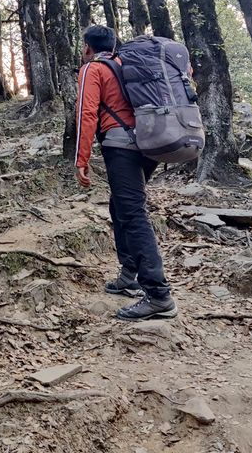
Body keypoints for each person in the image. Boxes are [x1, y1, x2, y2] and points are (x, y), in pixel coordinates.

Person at [74, 24, 177, 321]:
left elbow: (87, 113)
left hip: (121, 146)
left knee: (132, 213)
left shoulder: (93, 69)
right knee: (120, 205)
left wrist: (81, 158)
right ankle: (129, 274)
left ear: (87, 47)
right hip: (149, 143)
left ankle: (158, 295)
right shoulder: (126, 64)